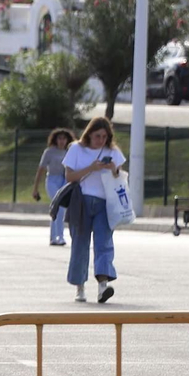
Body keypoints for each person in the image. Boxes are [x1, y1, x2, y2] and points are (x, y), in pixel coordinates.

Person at [62, 116, 126, 304]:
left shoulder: (112, 152)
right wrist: (91, 168)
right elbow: (69, 177)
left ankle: (102, 287)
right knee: (80, 244)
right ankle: (79, 287)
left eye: (105, 136)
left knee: (104, 243)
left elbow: (119, 178)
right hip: (81, 201)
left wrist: (114, 169)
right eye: (97, 136)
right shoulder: (76, 149)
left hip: (105, 203)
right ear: (89, 134)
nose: (101, 140)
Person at [31, 128, 73, 246]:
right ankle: (55, 236)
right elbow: (41, 169)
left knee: (62, 208)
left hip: (64, 179)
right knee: (57, 206)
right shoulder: (49, 152)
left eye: (64, 138)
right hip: (52, 179)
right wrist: (35, 188)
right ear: (55, 139)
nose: (62, 141)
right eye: (59, 138)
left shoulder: (69, 152)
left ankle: (58, 236)